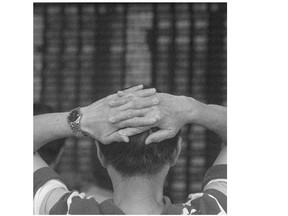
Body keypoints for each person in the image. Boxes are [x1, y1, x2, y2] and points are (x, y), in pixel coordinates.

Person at [34, 85, 227, 214]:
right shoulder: (213, 210)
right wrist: (191, 108)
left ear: (100, 155)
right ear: (176, 152)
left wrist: (81, 119)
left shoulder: (71, 212)